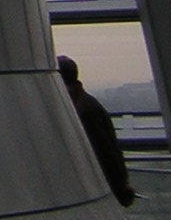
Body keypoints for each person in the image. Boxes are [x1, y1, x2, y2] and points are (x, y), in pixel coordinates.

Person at [57, 53, 135, 206]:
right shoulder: (87, 106)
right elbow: (108, 151)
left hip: (91, 186)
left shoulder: (82, 110)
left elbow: (103, 151)